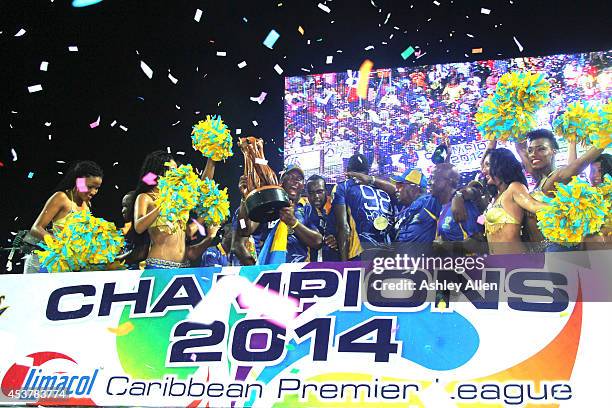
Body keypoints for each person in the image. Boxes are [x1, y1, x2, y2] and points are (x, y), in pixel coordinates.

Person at [514, 129, 608, 245]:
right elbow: (520, 149)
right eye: (530, 150)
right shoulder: (540, 179)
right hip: (538, 254)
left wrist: (606, 134)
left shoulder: (557, 177)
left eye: (541, 149)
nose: (533, 154)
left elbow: (578, 164)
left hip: (554, 253)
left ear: (554, 151)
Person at [131, 150, 219, 269]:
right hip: (159, 266)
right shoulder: (146, 197)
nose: (176, 173)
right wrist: (162, 204)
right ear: (159, 172)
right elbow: (139, 227)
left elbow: (203, 185)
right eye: (172, 170)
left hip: (183, 266)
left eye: (176, 169)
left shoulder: (180, 198)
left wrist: (211, 159)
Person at [24, 161, 104, 273]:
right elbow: (36, 228)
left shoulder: (87, 205)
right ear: (78, 181)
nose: (93, 192)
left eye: (97, 188)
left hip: (65, 265)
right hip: (43, 262)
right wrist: (62, 245)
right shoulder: (61, 198)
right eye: (90, 187)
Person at [238, 164, 323, 264]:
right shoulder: (269, 204)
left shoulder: (307, 209)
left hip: (297, 271)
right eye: (291, 177)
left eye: (299, 179)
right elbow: (244, 229)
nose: (295, 181)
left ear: (302, 186)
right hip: (269, 269)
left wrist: (294, 223)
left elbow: (318, 241)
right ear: (281, 182)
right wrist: (244, 199)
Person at [484, 148, 548, 254]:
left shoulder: (514, 188)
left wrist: (568, 207)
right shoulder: (495, 196)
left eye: (487, 165)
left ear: (500, 166)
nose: (483, 170)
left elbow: (535, 206)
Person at [332, 154, 394, 261]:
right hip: (387, 254)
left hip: (360, 253)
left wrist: (343, 264)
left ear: (347, 171)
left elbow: (344, 227)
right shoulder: (383, 189)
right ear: (368, 171)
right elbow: (395, 190)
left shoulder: (342, 187)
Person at [394, 163, 458, 244]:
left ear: (414, 188)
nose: (397, 190)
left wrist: (459, 197)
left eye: (400, 186)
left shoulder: (427, 202)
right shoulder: (404, 208)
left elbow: (445, 188)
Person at [305, 174, 339, 262]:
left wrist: (336, 241)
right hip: (308, 268)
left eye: (319, 192)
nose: (316, 196)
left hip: (331, 267)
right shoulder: (304, 213)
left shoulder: (332, 215)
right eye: (311, 193)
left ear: (326, 192)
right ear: (307, 194)